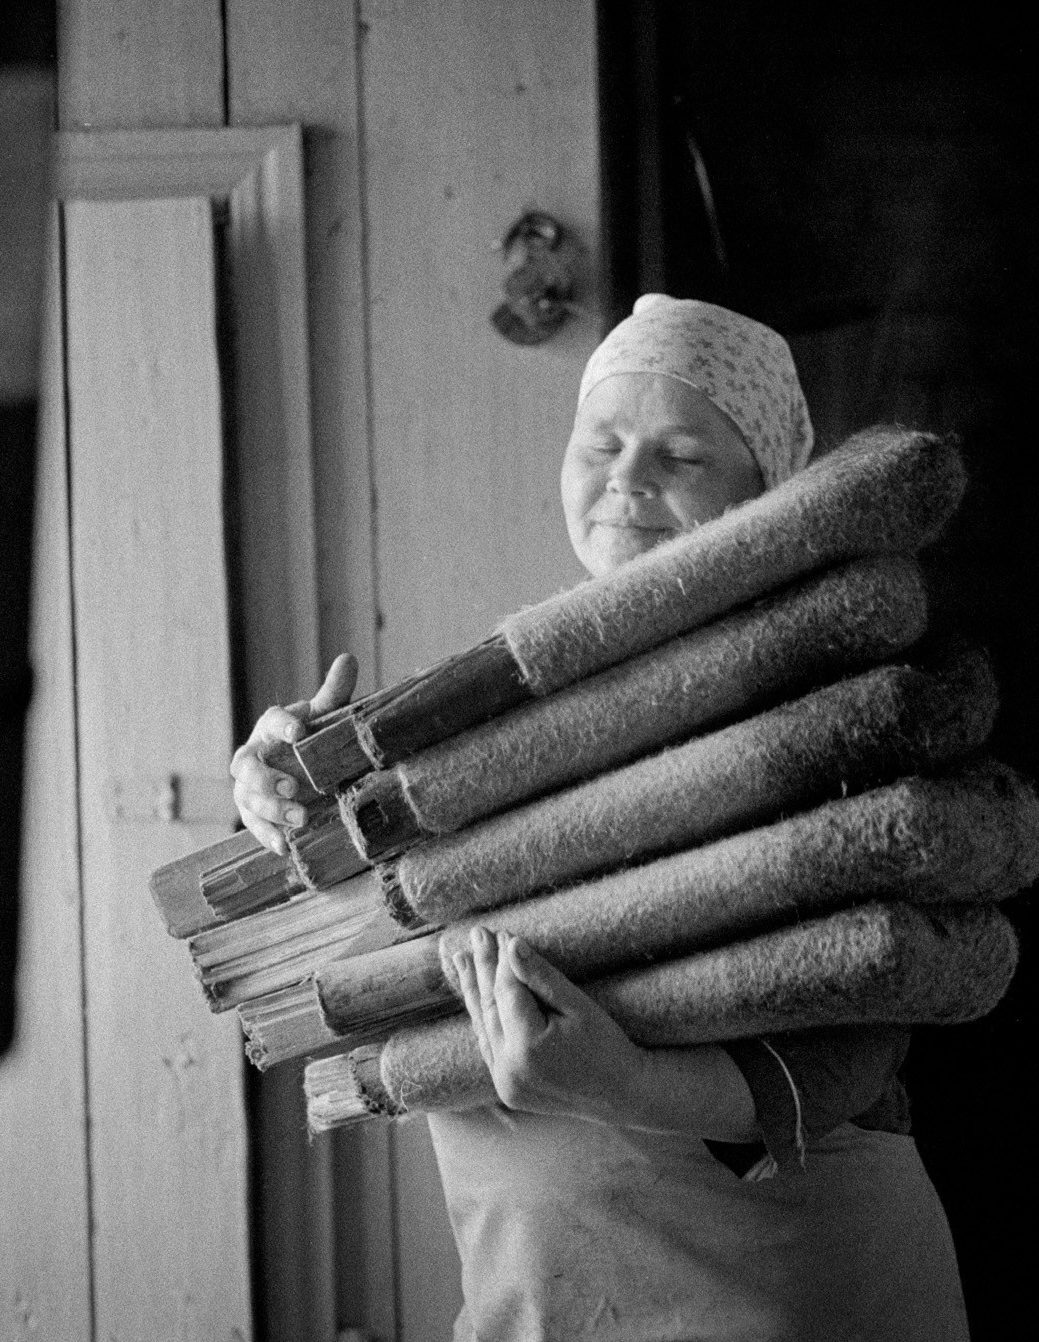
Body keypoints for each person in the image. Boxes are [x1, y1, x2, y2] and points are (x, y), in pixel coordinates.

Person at [231, 295, 971, 1341]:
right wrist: (281, 793)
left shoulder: (821, 714)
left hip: (782, 1285)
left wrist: (623, 1082)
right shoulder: (461, 737)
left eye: (681, 456)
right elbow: (359, 937)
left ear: (764, 501)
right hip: (537, 1292)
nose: (626, 479)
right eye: (602, 442)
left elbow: (851, 1041)